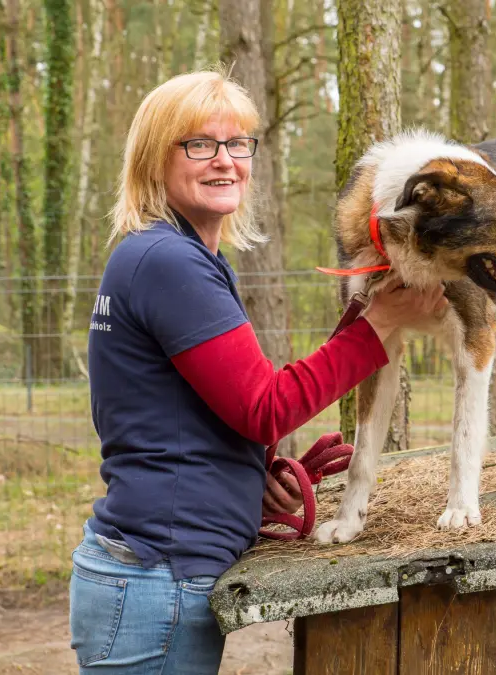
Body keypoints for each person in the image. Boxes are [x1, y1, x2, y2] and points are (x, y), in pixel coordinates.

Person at [69, 68, 447, 673]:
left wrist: (251, 476)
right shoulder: (169, 262)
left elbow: (186, 412)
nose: (225, 161)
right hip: (154, 580)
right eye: (199, 144)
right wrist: (379, 324)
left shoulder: (176, 256)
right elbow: (263, 406)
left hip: (153, 574)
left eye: (237, 144)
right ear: (153, 158)